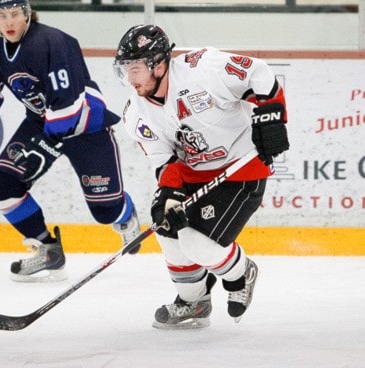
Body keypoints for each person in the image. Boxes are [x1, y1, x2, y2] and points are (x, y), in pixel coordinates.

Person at [0, 0, 142, 282]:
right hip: (41, 123)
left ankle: (124, 213)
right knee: (2, 186)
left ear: (27, 14)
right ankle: (49, 251)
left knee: (105, 211)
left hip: (84, 125)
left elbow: (69, 100)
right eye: (1, 16)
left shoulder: (52, 42)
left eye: (15, 14)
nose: (9, 22)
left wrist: (49, 139)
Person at [113, 25, 289, 329]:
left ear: (158, 63)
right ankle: (194, 302)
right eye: (126, 69)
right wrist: (168, 196)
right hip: (193, 177)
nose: (130, 78)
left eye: (136, 68)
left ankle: (240, 273)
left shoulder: (204, 68)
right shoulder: (135, 113)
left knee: (197, 244)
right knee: (168, 232)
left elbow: (258, 73)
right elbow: (164, 160)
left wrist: (271, 113)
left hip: (240, 168)